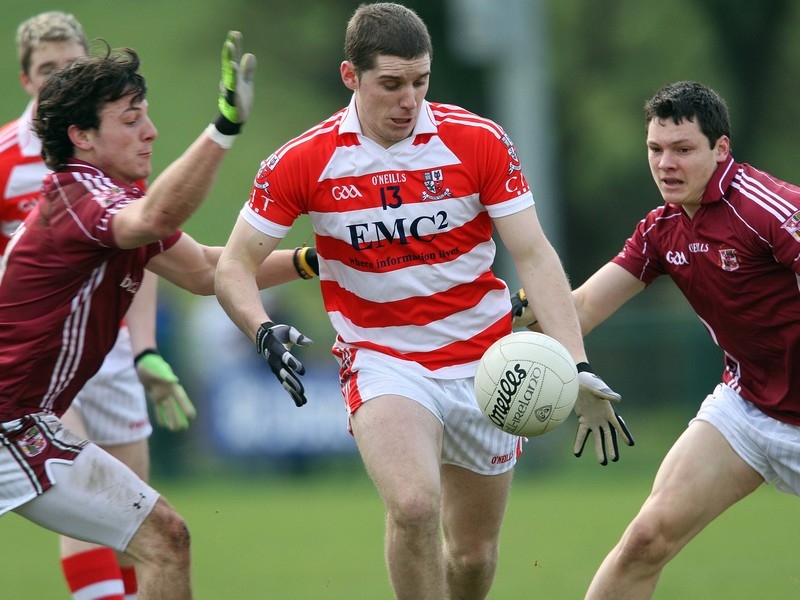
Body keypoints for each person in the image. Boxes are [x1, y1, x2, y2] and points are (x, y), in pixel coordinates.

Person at [214, 4, 632, 599]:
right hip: (383, 359)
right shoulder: (303, 160)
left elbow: (534, 256)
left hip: (488, 367)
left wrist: (578, 362)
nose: (408, 100)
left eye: (420, 82)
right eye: (391, 84)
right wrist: (260, 329)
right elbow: (234, 264)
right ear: (350, 77)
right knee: (412, 506)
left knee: (471, 555)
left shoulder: (477, 142)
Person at [0, 32, 316, 600]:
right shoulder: (83, 201)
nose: (151, 132)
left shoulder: (106, 198)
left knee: (163, 537)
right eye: (131, 119)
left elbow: (204, 272)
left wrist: (314, 261)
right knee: (163, 537)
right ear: (82, 136)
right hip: (8, 425)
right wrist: (223, 128)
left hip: (23, 424)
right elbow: (155, 216)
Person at [512, 80, 800, 599]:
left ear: (720, 149)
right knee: (645, 539)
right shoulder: (660, 230)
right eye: (656, 149)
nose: (666, 163)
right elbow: (581, 308)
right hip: (748, 407)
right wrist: (508, 311)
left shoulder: (768, 210)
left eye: (683, 149)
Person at [0, 12, 193, 600]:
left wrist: (147, 351)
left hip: (100, 346)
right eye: (48, 69)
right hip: (28, 355)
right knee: (96, 504)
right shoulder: (11, 158)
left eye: (72, 66)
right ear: (28, 81)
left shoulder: (119, 167)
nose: (61, 76)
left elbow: (150, 257)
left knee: (137, 517)